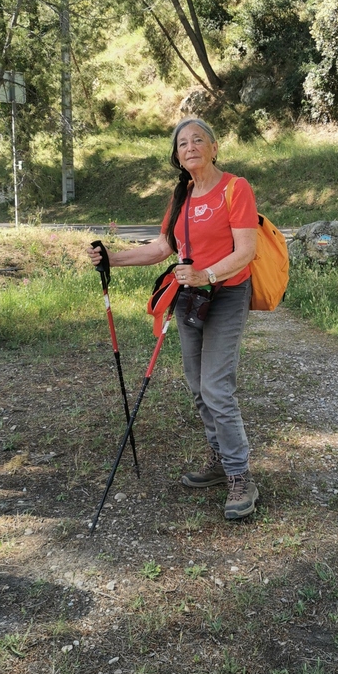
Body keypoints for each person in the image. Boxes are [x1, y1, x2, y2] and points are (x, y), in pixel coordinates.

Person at [87, 117, 260, 520]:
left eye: (199, 140)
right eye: (182, 144)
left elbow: (246, 250)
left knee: (216, 386)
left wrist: (207, 274)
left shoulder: (236, 188)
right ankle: (218, 461)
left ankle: (240, 476)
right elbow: (163, 247)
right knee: (197, 385)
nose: (191, 147)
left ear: (214, 147)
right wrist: (113, 258)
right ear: (177, 157)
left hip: (228, 292)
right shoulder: (182, 195)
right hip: (189, 298)